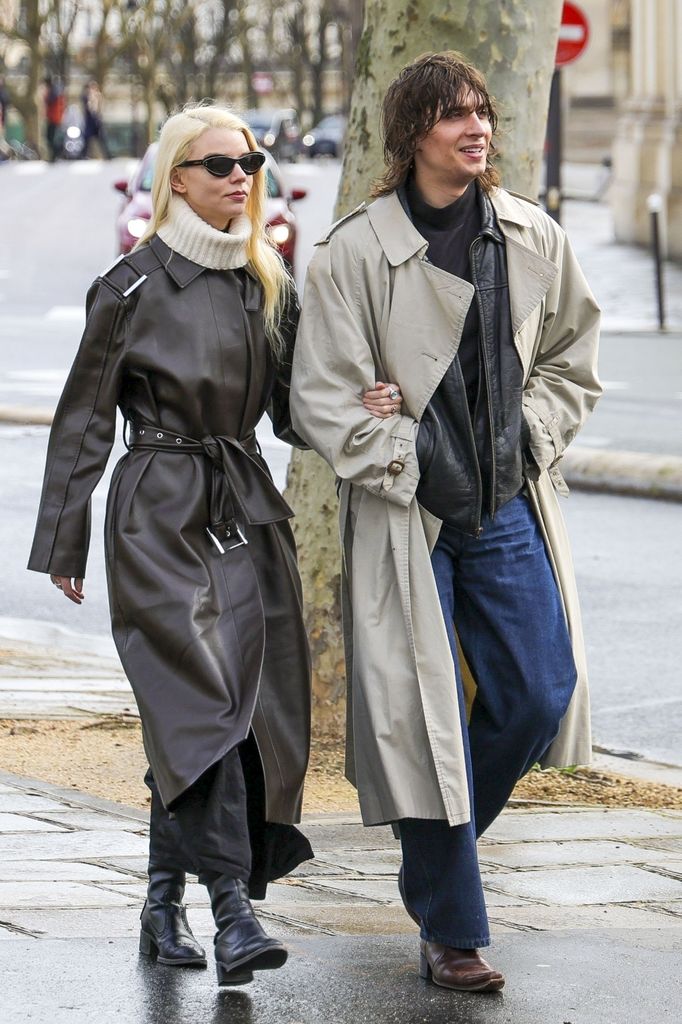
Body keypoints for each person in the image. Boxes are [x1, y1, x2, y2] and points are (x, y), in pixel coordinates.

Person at [290, 51, 601, 994]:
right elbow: (323, 397)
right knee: (429, 726)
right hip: (406, 512)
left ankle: (433, 860)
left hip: (506, 502)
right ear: (411, 134)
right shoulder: (354, 251)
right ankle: (454, 931)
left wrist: (532, 429)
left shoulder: (531, 235)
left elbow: (571, 358)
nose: (477, 129)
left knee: (540, 691)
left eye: (483, 113)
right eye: (454, 115)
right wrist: (396, 441)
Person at [29, 104, 319, 987]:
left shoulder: (268, 283)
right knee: (201, 702)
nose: (240, 174)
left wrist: (372, 400)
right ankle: (233, 911)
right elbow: (83, 421)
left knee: (240, 707)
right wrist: (65, 540)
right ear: (175, 177)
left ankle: (162, 902)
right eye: (219, 162)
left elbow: (295, 413)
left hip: (241, 508)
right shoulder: (129, 286)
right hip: (155, 511)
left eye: (251, 160)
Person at [81, 80, 110, 159]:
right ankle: (83, 155)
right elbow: (89, 109)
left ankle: (107, 155)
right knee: (87, 140)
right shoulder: (87, 97)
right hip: (90, 122)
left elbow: (98, 109)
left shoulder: (97, 96)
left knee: (101, 139)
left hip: (96, 122)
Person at [43, 75, 65, 162]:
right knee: (51, 138)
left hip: (53, 118)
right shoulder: (56, 91)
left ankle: (55, 155)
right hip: (55, 118)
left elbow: (49, 101)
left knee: (50, 138)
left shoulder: (53, 92)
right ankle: (55, 155)